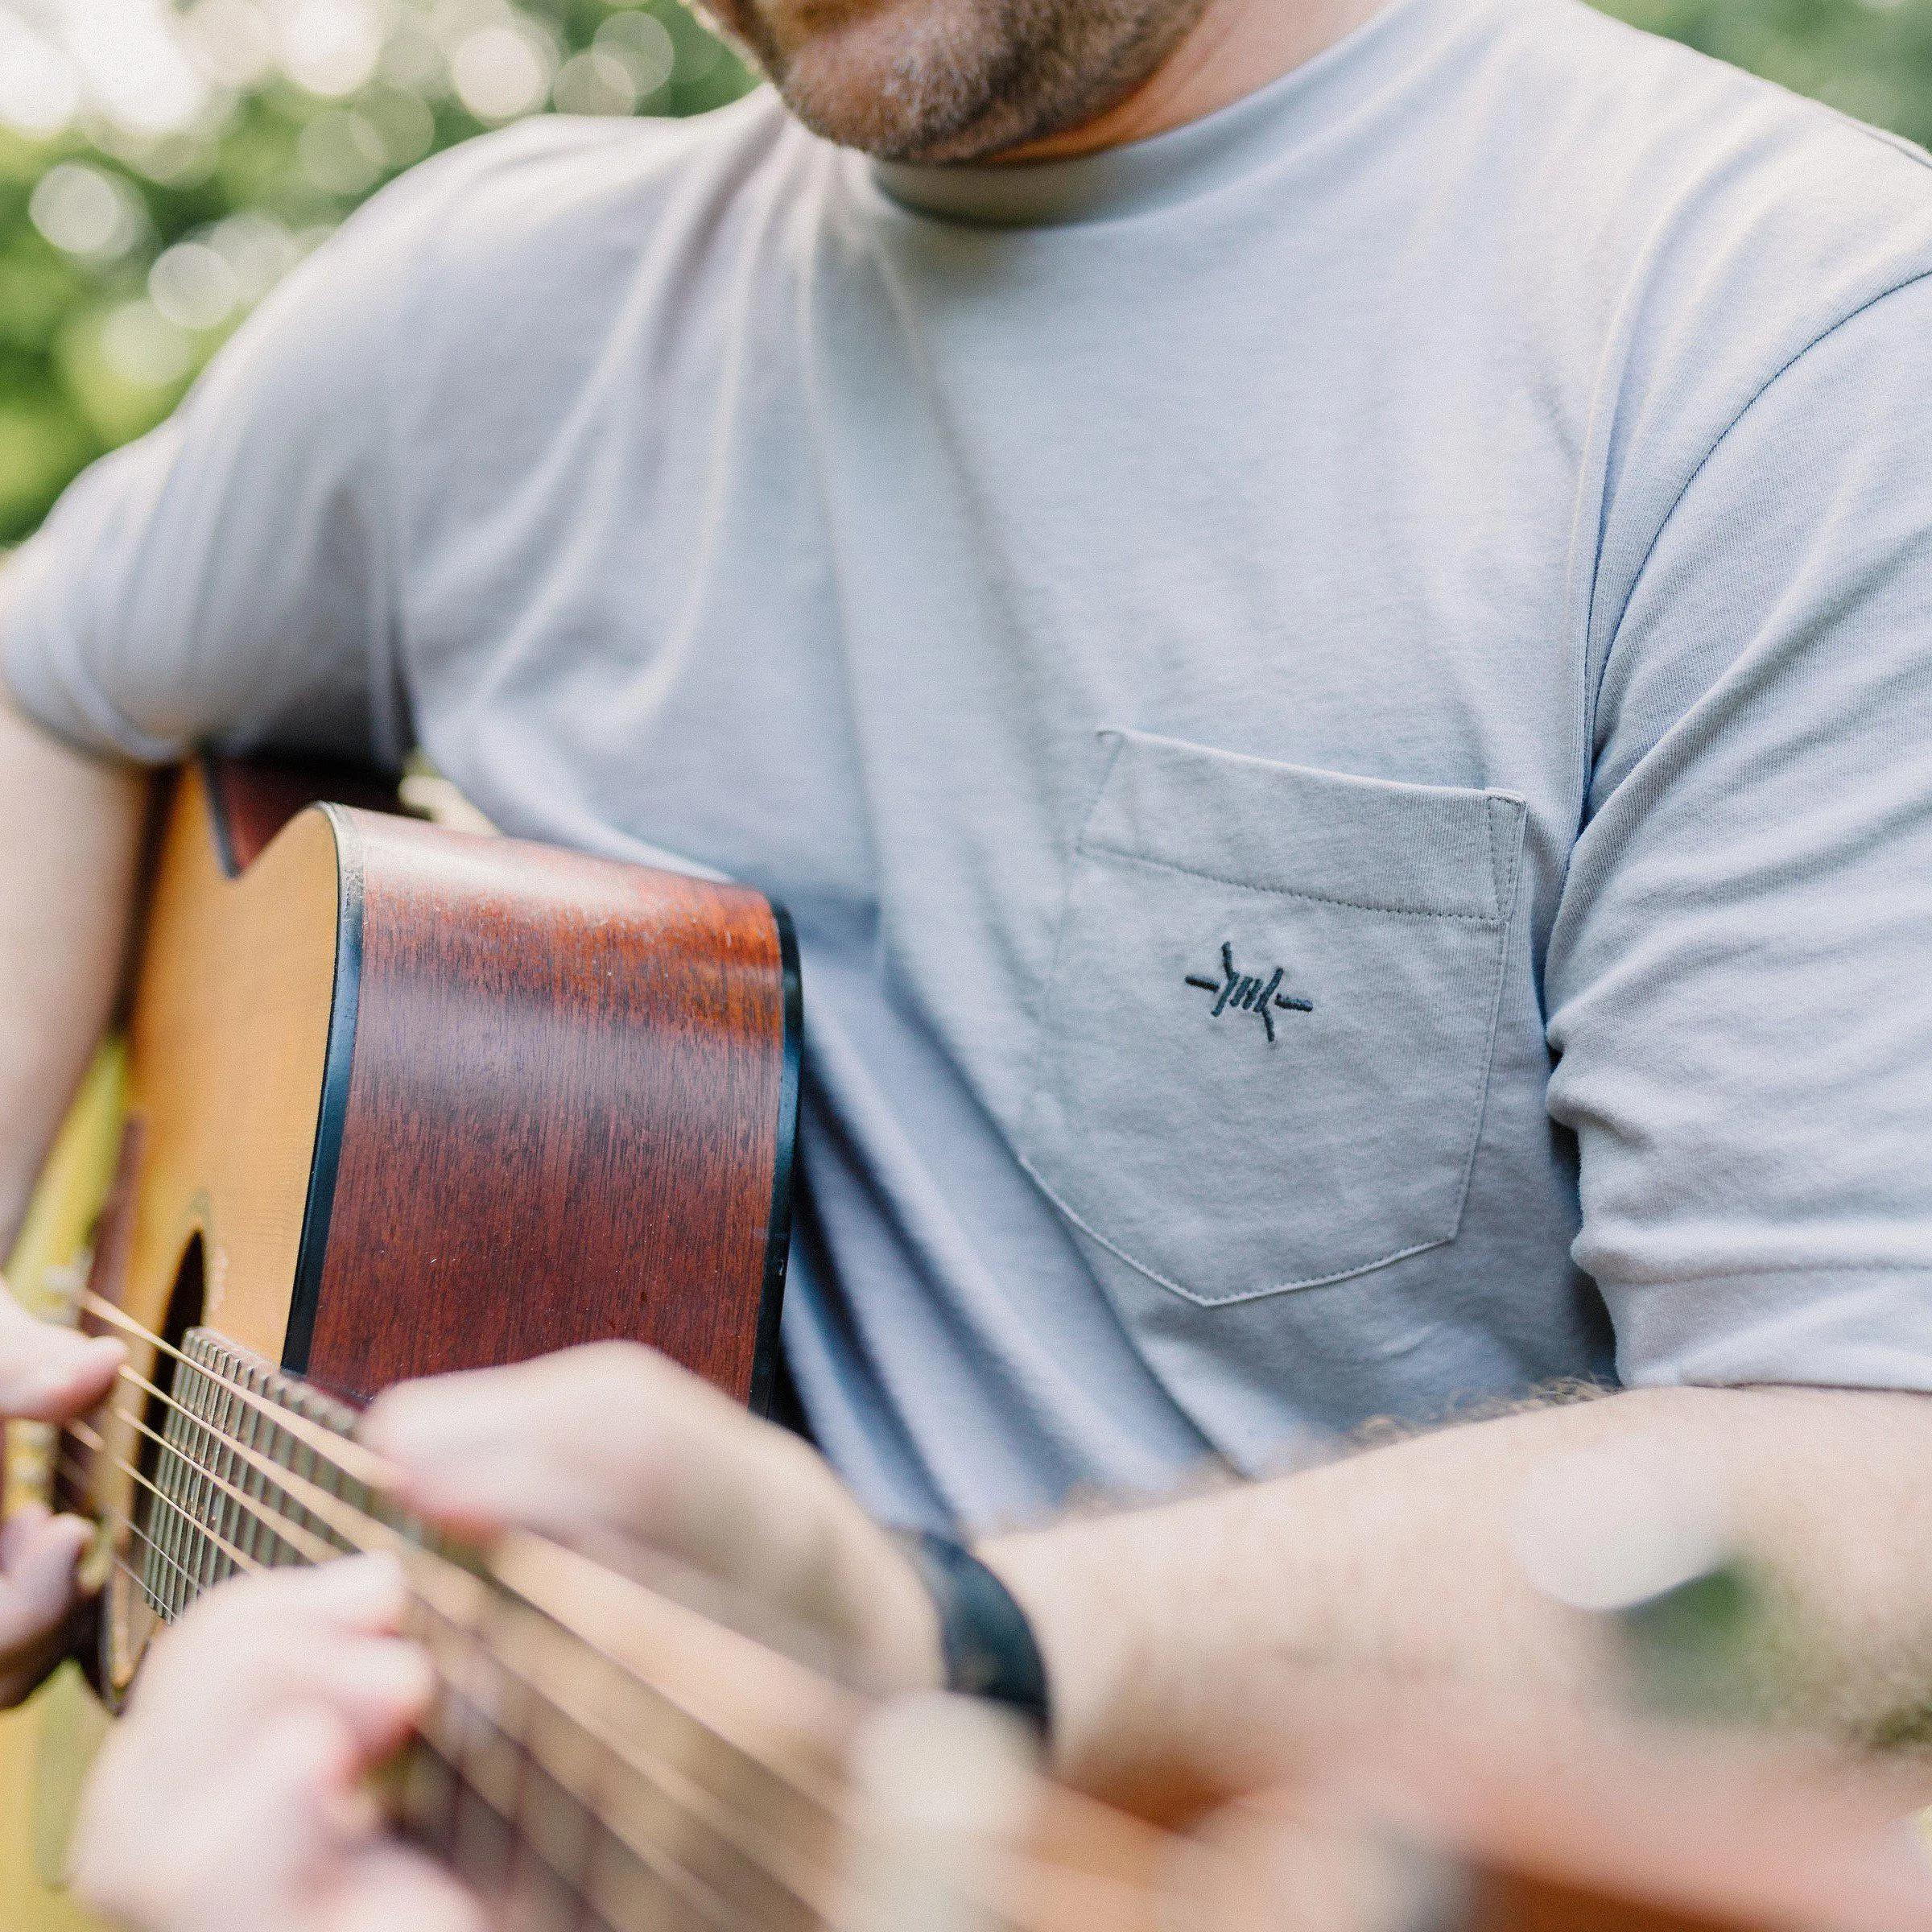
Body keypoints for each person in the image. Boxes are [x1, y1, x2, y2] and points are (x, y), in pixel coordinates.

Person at [5, 0, 1932, 1918]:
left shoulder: (1792, 350)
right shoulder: (483, 310)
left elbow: (1878, 1486)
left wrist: (958, 1647)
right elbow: (52, 681)